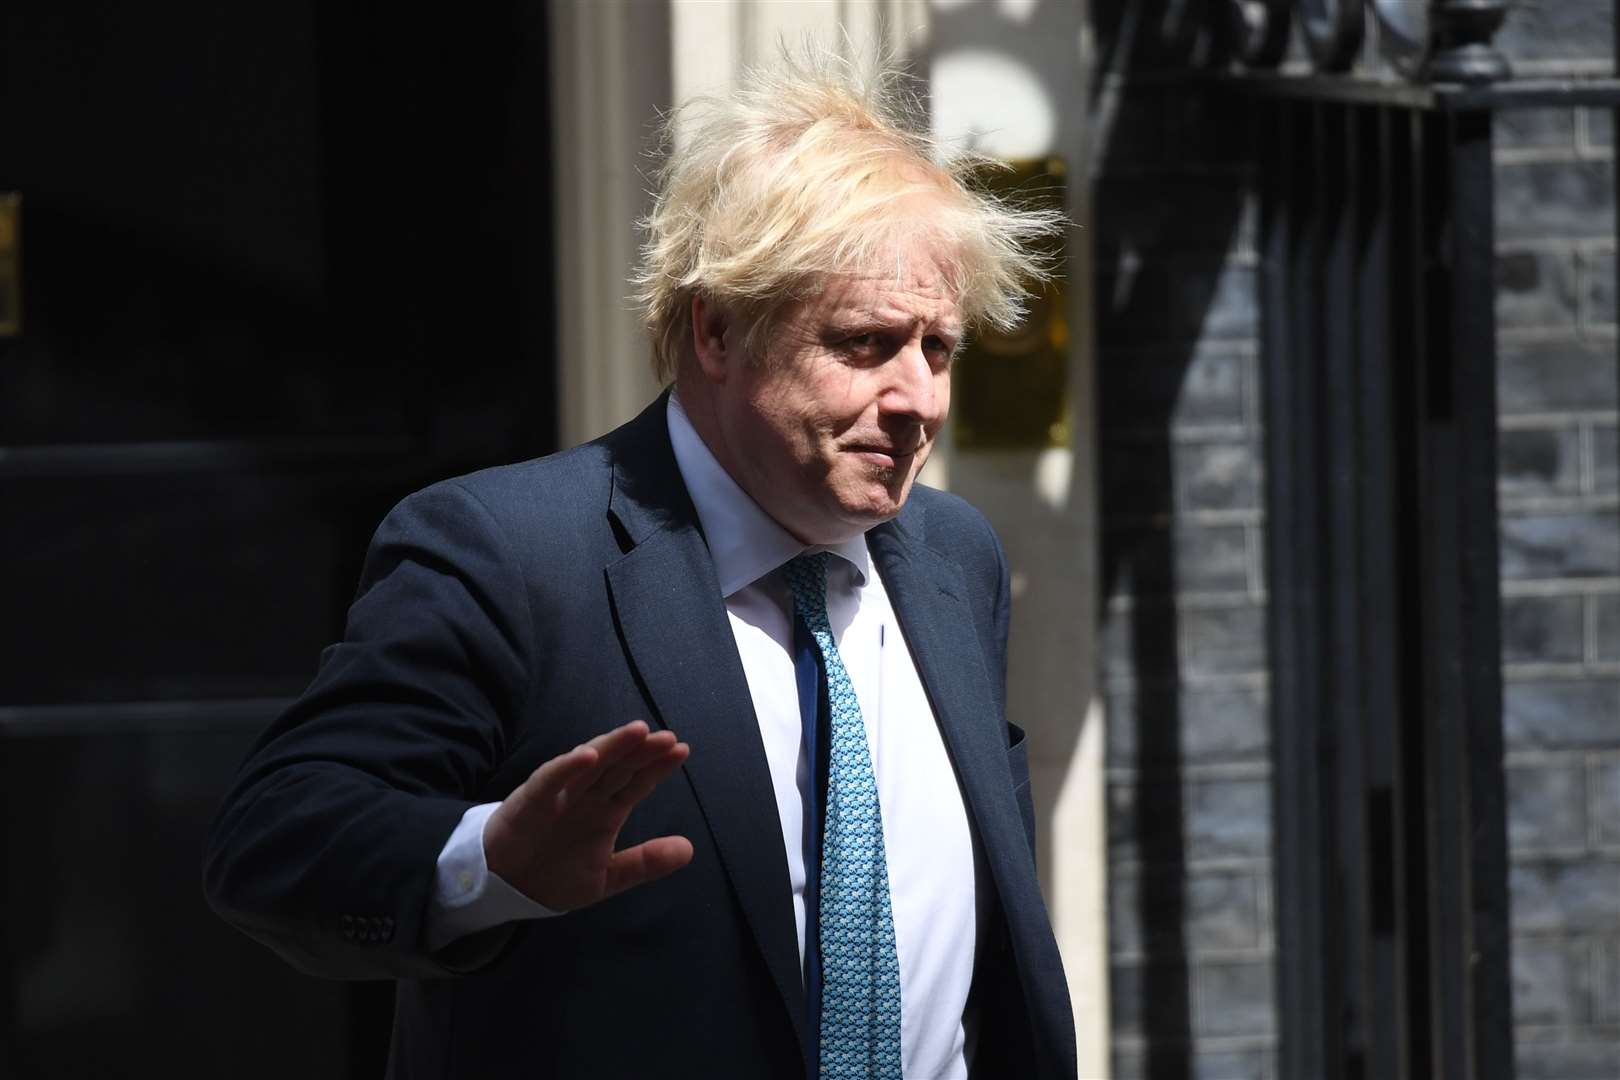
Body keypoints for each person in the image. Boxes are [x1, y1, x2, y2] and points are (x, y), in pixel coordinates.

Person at [205, 50, 1076, 1080]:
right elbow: (276, 841)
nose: (918, 399)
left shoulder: (952, 559)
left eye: (938, 349)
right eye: (863, 343)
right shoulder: (511, 554)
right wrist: (487, 865)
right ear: (717, 328)